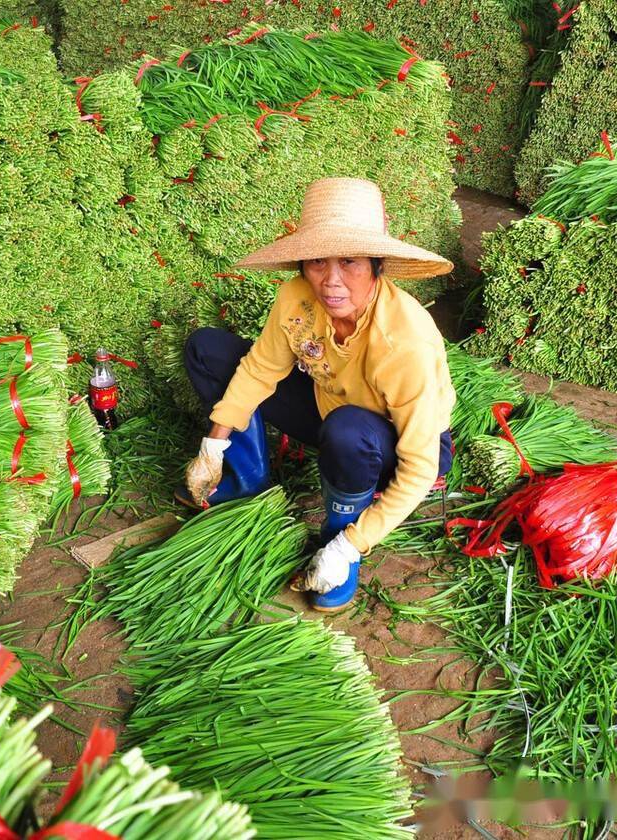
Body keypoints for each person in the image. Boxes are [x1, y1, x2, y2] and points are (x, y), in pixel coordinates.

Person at [176, 177, 455, 612]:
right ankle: (247, 480)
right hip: (331, 407)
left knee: (349, 431)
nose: (331, 280)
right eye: (317, 262)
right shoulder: (297, 298)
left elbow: (420, 467)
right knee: (209, 349)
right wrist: (214, 444)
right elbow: (260, 368)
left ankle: (337, 539)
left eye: (349, 262)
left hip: (395, 446)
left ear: (377, 265)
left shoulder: (403, 342)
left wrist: (349, 545)